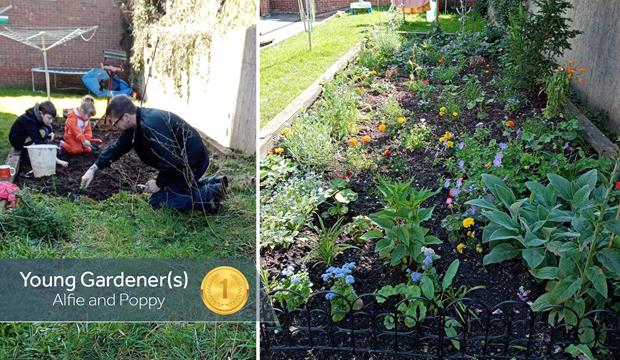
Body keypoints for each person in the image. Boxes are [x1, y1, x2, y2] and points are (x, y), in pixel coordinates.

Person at [80, 94, 227, 212]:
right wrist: (94, 168)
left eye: (114, 122)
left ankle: (211, 195)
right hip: (182, 162)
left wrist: (158, 183)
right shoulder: (135, 125)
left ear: (125, 117)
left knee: (158, 201)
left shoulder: (150, 125)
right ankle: (215, 183)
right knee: (169, 191)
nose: (115, 126)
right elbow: (117, 148)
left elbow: (170, 160)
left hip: (192, 162)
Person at [8, 101, 68, 167]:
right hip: (18, 141)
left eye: (52, 118)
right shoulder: (30, 121)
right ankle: (28, 154)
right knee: (41, 139)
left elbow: (49, 126)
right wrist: (58, 161)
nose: (51, 121)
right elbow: (41, 144)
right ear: (41, 113)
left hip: (29, 136)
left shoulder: (37, 115)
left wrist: (51, 132)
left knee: (44, 131)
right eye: (49, 118)